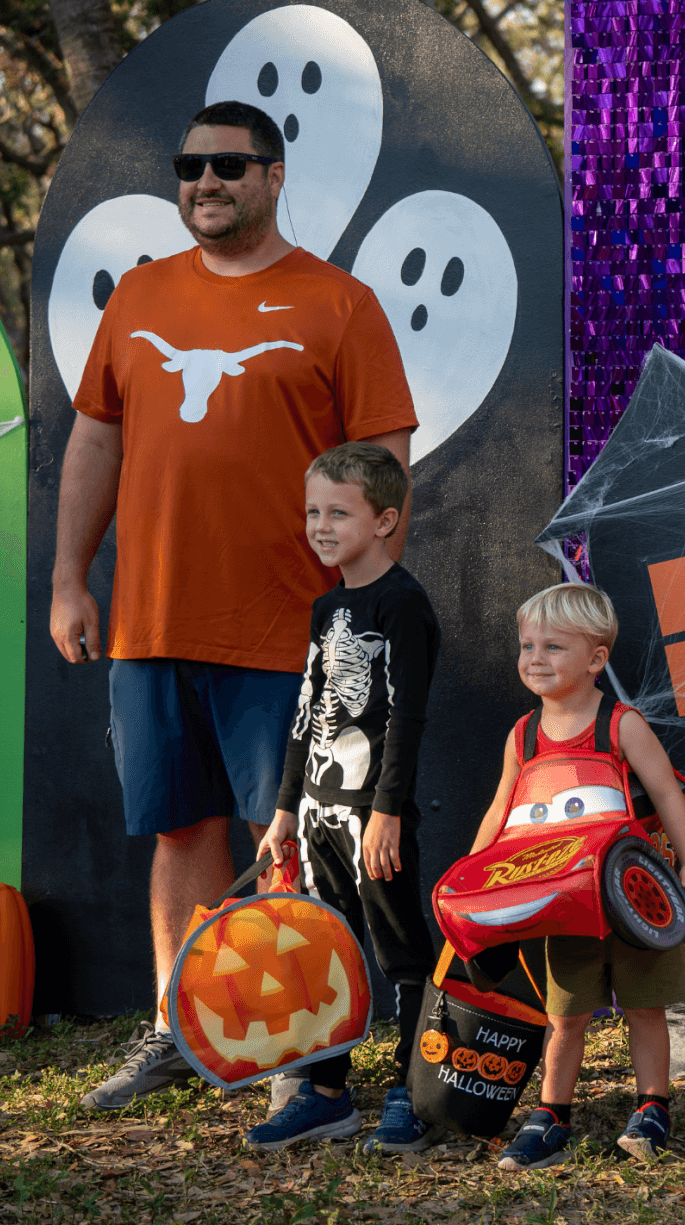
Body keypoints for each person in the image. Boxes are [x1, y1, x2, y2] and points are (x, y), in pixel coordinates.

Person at [53, 100, 418, 1112]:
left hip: (293, 630)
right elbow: (95, 442)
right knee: (181, 834)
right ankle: (185, 1029)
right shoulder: (138, 299)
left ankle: (302, 1057)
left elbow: (386, 461)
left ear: (272, 176)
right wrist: (68, 578)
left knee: (293, 837)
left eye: (227, 166)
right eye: (190, 166)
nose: (205, 183)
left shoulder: (338, 305)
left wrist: (369, 602)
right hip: (154, 621)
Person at [246, 442, 440, 1151]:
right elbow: (306, 710)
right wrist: (284, 810)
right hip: (321, 812)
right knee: (325, 952)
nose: (321, 525)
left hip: (370, 815)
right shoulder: (326, 605)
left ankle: (409, 1090)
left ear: (386, 520)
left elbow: (407, 716)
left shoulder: (404, 605)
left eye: (339, 511)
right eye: (312, 511)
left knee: (400, 951)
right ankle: (327, 1092)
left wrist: (387, 810)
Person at [483, 584, 685, 1170]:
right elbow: (502, 810)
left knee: (644, 1006)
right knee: (566, 1014)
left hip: (634, 902)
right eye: (527, 645)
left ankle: (652, 1108)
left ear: (596, 659)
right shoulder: (522, 735)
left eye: (553, 646)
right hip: (564, 906)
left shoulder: (620, 724)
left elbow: (667, 791)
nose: (534, 658)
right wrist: (474, 879)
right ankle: (551, 1115)